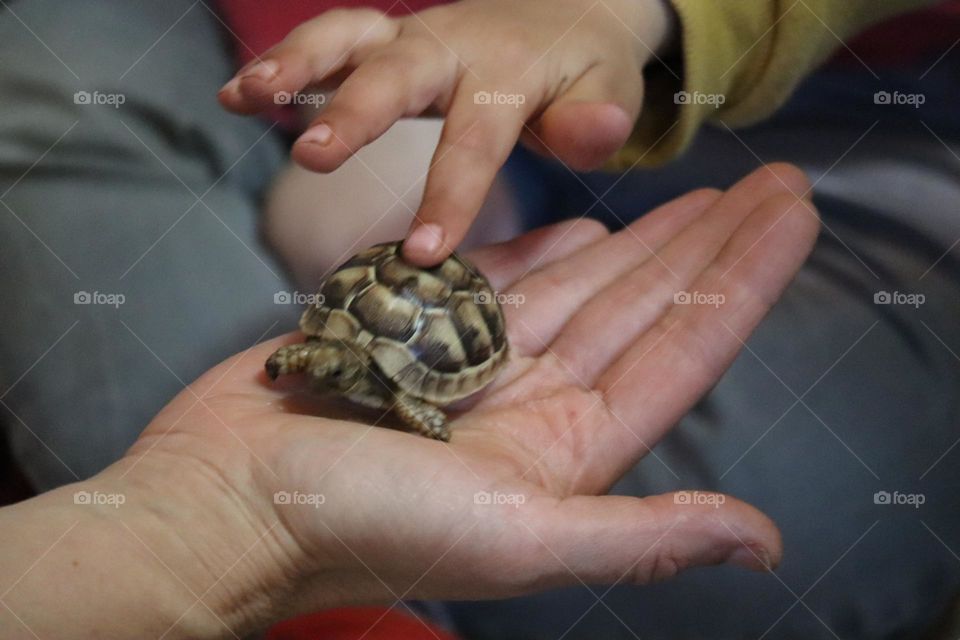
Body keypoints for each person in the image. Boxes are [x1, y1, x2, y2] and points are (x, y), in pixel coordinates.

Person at [0, 170, 817, 638]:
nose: (300, 368)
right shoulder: (319, 357)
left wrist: (419, 414)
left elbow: (394, 392)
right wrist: (223, 516)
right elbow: (308, 357)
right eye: (307, 358)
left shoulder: (391, 384)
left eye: (311, 360)